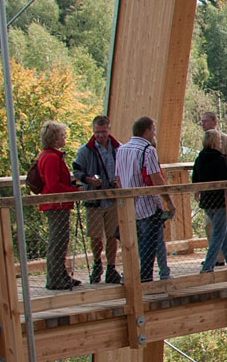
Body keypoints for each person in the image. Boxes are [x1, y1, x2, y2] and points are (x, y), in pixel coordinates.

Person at [115, 116, 173, 282]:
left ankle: (131, 275)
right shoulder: (148, 150)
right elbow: (156, 178)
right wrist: (168, 201)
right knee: (150, 245)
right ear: (146, 131)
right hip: (147, 205)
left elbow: (118, 179)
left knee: (135, 243)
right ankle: (145, 278)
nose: (154, 133)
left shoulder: (121, 150)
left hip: (129, 207)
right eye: (153, 129)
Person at [72, 115, 123, 285]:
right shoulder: (85, 150)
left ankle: (111, 267)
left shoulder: (117, 148)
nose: (100, 136)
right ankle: (97, 263)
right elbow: (77, 171)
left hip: (112, 198)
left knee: (112, 235)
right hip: (94, 199)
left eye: (103, 132)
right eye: (97, 132)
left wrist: (119, 180)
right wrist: (88, 180)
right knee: (95, 236)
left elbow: (123, 168)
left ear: (109, 129)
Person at [34, 121, 82, 290]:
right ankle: (55, 278)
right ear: (55, 140)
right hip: (55, 205)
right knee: (58, 242)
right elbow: (53, 185)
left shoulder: (48, 155)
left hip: (57, 204)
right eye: (62, 136)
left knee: (61, 241)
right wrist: (73, 191)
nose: (64, 138)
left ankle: (61, 275)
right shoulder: (51, 158)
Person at [192, 128, 227, 273]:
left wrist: (197, 192)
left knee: (221, 233)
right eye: (219, 140)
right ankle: (207, 267)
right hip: (220, 201)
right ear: (215, 142)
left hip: (207, 201)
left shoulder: (199, 159)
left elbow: (195, 179)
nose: (220, 142)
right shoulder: (220, 159)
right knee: (218, 234)